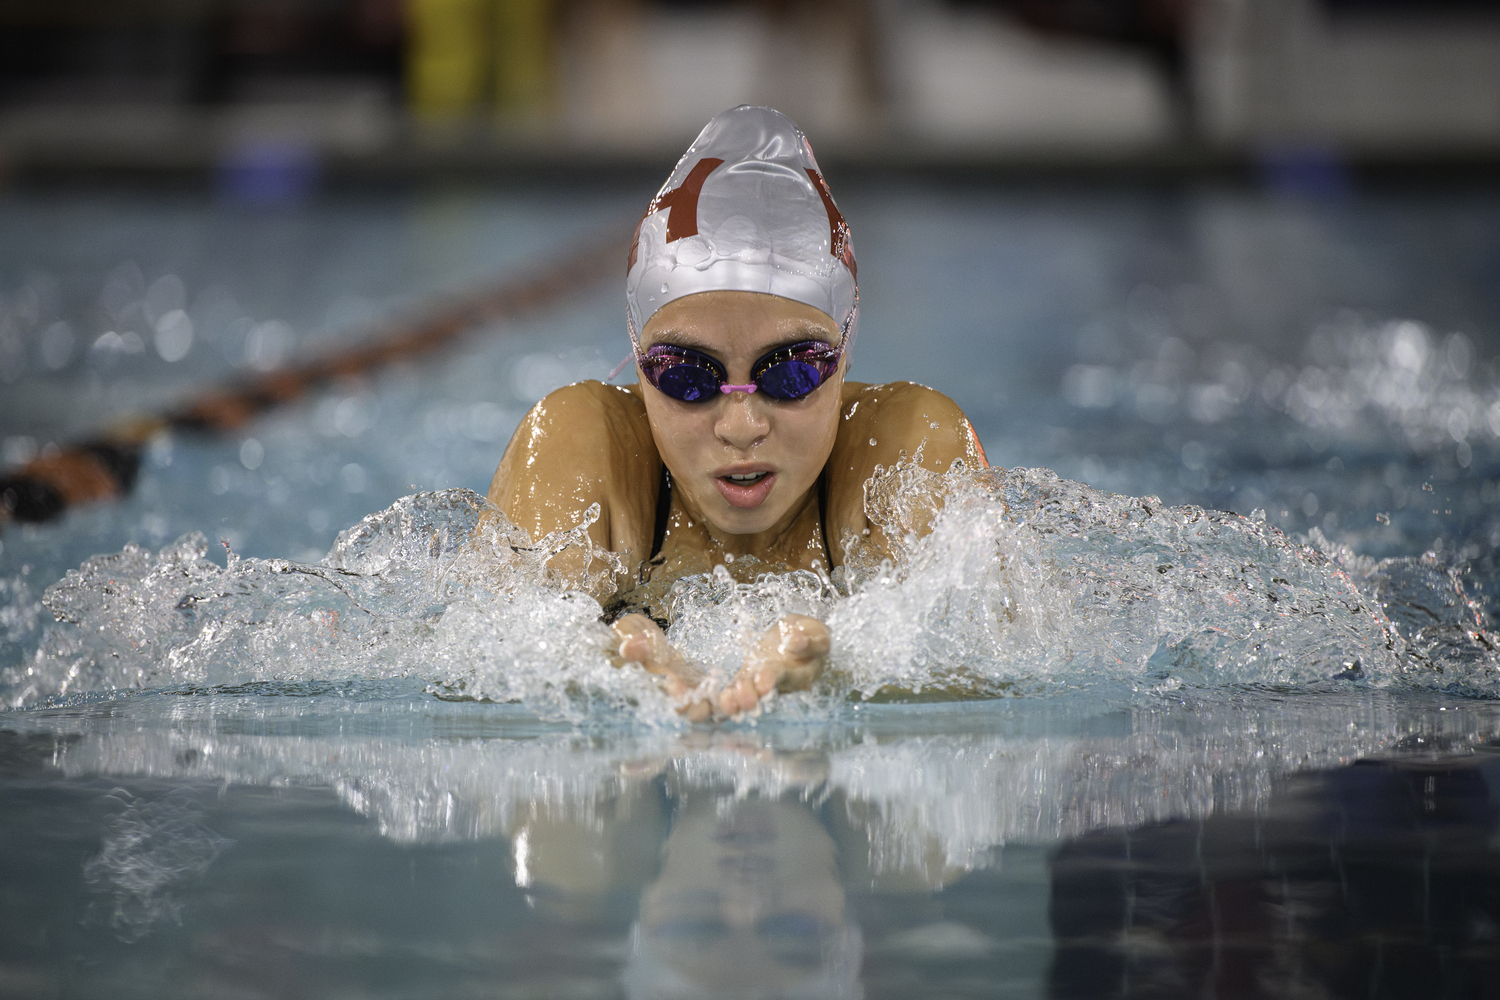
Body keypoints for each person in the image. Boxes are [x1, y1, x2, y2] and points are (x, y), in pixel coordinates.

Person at [487, 106, 986, 720]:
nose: (741, 426)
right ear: (639, 363)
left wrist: (849, 672)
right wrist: (594, 669)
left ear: (846, 353)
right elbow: (489, 664)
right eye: (687, 375)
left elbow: (985, 670)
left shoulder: (908, 444)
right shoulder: (581, 443)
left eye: (793, 369)